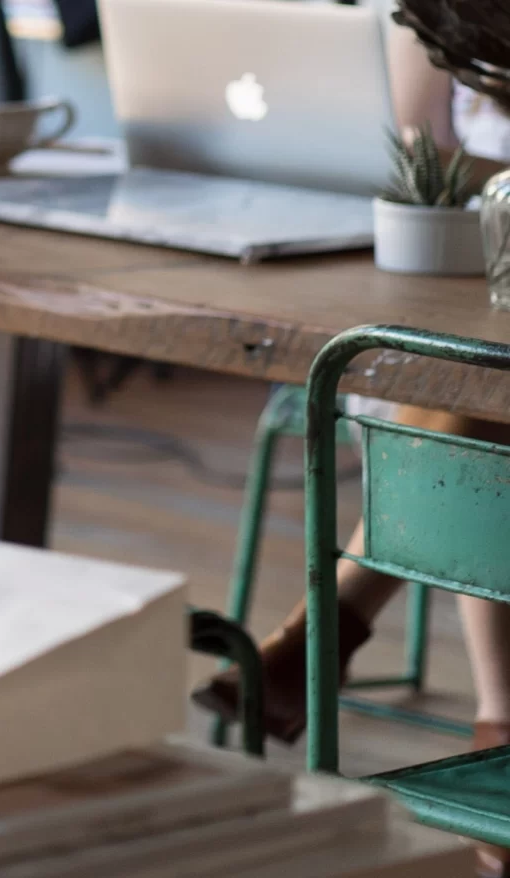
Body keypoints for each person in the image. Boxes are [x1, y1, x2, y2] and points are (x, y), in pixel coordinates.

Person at [196, 16, 510, 876]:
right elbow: (420, 156)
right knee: (462, 380)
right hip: (466, 283)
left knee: (467, 389)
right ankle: (494, 721)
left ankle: (335, 633)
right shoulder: (440, 13)